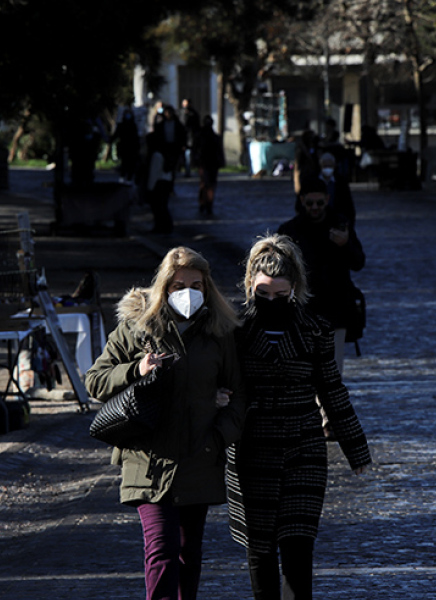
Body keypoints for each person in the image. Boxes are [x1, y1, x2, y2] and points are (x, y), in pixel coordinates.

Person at [85, 246, 247, 600]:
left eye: (195, 284)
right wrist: (137, 369)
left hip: (199, 457)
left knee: (189, 555)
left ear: (207, 288)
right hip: (148, 459)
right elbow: (94, 381)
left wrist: (218, 439)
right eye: (177, 285)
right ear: (163, 287)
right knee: (161, 550)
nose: (187, 292)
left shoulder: (220, 333)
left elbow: (240, 396)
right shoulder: (137, 329)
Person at [228, 234, 371, 600]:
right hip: (251, 449)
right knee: (260, 547)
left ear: (295, 289)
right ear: (250, 286)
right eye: (263, 293)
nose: (271, 301)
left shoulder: (314, 329)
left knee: (297, 546)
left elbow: (332, 390)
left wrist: (356, 449)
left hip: (303, 449)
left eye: (281, 294)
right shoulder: (234, 331)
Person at [277, 177, 365, 372]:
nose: (315, 207)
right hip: (303, 312)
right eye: (310, 203)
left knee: (333, 374)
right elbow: (277, 270)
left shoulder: (340, 223)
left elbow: (359, 262)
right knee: (306, 373)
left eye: (319, 202)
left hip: (337, 310)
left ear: (327, 199)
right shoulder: (290, 231)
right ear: (302, 201)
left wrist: (345, 245)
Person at [195, 115, 225, 216]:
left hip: (210, 164)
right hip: (207, 163)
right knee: (207, 185)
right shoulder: (204, 136)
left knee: (207, 185)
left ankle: (207, 204)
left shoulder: (211, 136)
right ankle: (205, 203)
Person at [316, 152, 355, 226]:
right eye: (325, 166)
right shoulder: (313, 181)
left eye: (330, 166)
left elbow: (348, 205)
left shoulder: (341, 182)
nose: (327, 168)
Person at [110, 107, 141, 184]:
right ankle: (123, 177)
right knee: (124, 162)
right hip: (124, 147)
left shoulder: (133, 125)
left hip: (132, 148)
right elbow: (116, 135)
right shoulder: (121, 125)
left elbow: (136, 138)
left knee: (131, 163)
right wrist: (110, 140)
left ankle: (129, 178)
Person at [181, 98, 201, 177]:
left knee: (189, 154)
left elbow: (196, 126)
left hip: (191, 138)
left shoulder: (194, 114)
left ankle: (189, 170)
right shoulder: (181, 113)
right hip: (183, 138)